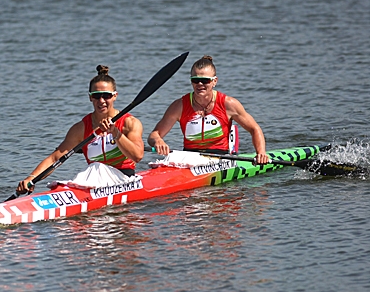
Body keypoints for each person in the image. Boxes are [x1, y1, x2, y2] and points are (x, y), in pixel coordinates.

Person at [16, 64, 144, 192]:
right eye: (96, 96)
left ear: (115, 96)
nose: (101, 101)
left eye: (106, 95)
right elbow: (55, 158)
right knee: (95, 167)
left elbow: (137, 156)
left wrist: (115, 132)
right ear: (90, 97)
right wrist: (31, 178)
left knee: (97, 167)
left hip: (123, 179)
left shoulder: (129, 123)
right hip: (94, 178)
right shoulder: (80, 129)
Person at [148, 54, 269, 162]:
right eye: (196, 80)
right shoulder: (179, 106)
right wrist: (158, 141)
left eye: (205, 80)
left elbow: (254, 129)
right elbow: (154, 135)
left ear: (214, 81)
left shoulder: (229, 104)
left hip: (220, 158)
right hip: (189, 157)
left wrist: (261, 153)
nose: (200, 84)